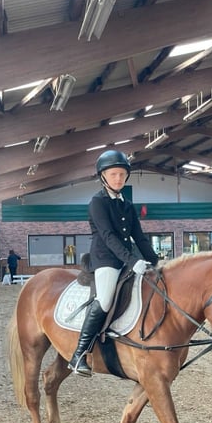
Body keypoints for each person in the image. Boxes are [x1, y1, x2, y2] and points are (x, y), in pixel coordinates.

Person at [68, 149, 160, 377]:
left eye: (121, 174)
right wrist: (133, 260)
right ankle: (79, 353)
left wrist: (155, 261)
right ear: (103, 177)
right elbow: (108, 237)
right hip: (105, 258)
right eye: (113, 174)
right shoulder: (97, 202)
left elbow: (139, 237)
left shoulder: (127, 205)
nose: (118, 178)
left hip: (128, 258)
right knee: (106, 299)